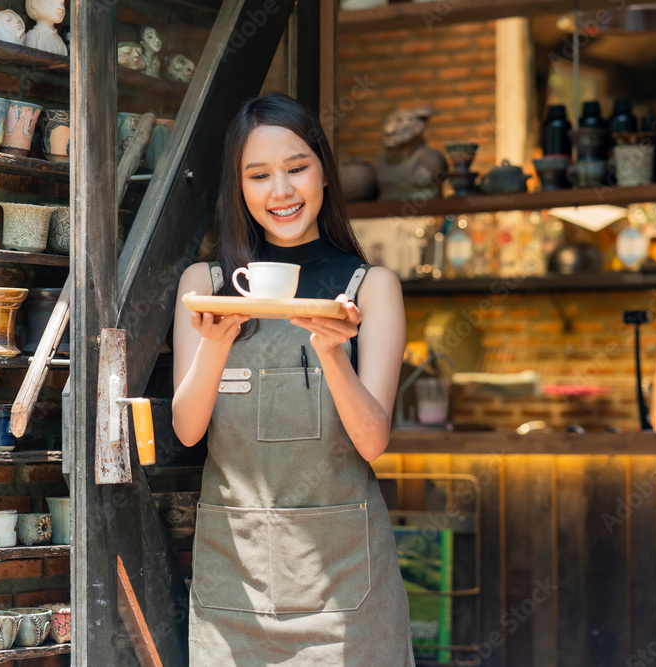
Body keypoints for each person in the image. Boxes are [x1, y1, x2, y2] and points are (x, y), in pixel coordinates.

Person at [172, 93, 414, 666]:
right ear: (239, 187)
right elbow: (187, 430)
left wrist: (333, 353)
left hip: (346, 590)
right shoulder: (203, 285)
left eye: (296, 168)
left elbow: (372, 440)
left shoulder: (370, 287)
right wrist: (215, 343)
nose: (280, 191)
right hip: (234, 583)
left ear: (324, 172)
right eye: (259, 176)